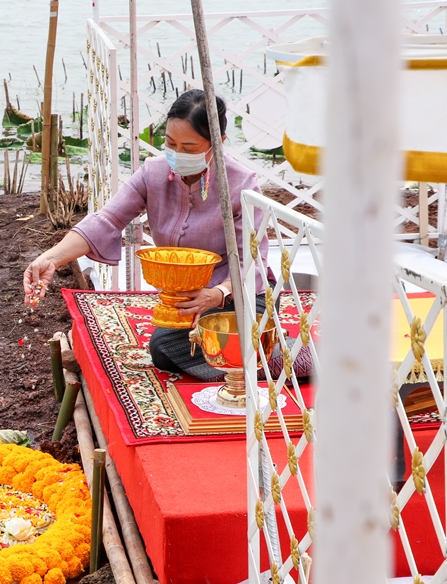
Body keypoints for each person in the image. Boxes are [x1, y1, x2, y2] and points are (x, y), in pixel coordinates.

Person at [23, 89, 272, 381]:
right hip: (183, 300)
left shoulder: (242, 183)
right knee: (164, 348)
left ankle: (265, 358)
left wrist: (216, 294)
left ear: (217, 144)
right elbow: (106, 220)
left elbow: (252, 262)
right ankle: (259, 360)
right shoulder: (153, 173)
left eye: (189, 148)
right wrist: (50, 258)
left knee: (207, 337)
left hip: (238, 294)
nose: (177, 154)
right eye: (170, 143)